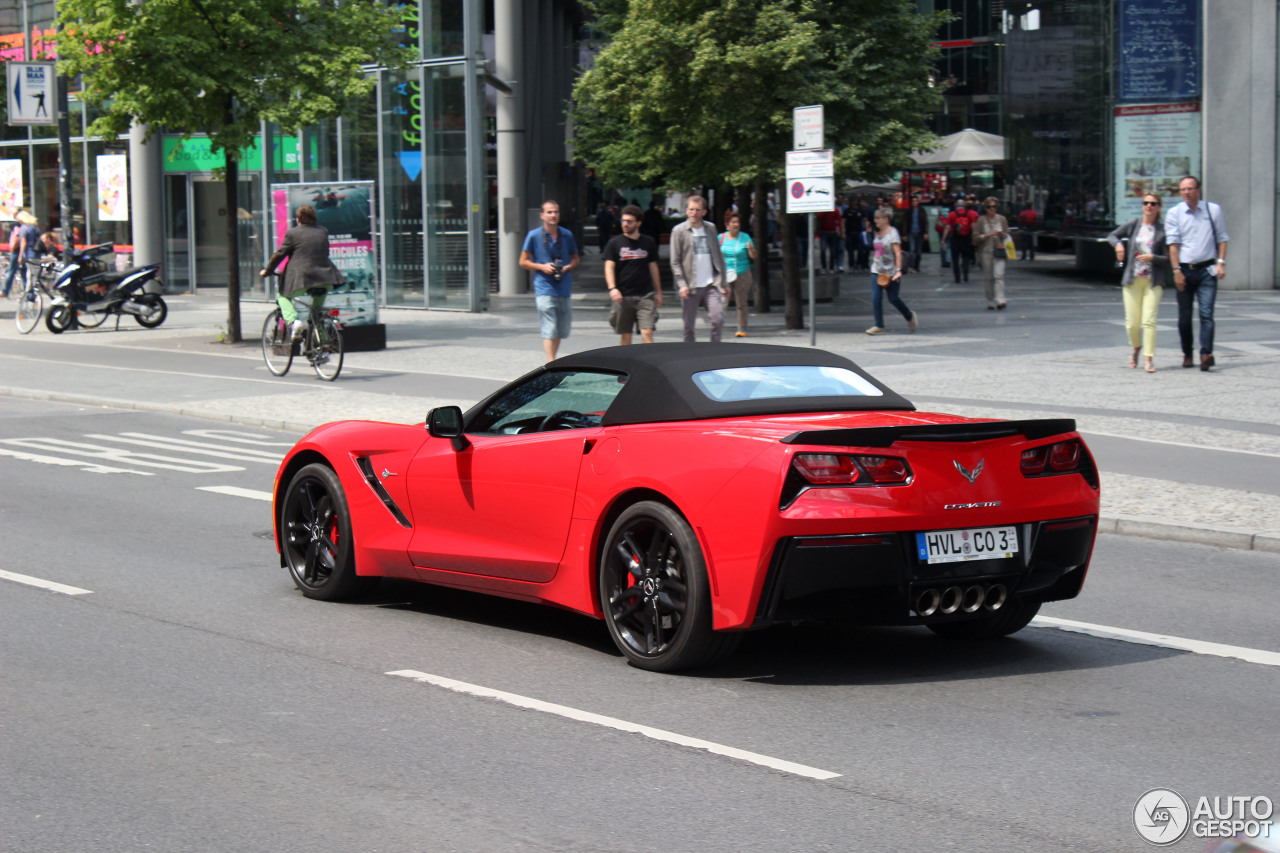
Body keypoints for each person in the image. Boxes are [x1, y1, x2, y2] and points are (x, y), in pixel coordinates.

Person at [1165, 176, 1228, 371]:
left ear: (1198, 190)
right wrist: (1176, 271)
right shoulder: (1174, 213)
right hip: (1184, 270)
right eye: (1183, 189)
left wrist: (1221, 263)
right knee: (1184, 317)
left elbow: (1222, 238)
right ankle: (1187, 353)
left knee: (1206, 313)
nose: (1187, 192)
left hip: (1207, 271)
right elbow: (1173, 245)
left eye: (1190, 189)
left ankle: (1206, 354)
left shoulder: (1212, 210)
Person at [260, 204, 345, 341]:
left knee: (282, 296)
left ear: (298, 219)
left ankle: (294, 322)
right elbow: (325, 252)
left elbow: (279, 254)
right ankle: (322, 344)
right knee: (316, 312)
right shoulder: (323, 231)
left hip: (303, 278)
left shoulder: (293, 233)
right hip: (325, 278)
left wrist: (267, 271)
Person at [1107, 193, 1169, 373]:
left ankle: (1149, 359)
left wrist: (1153, 258)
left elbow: (1167, 258)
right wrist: (1118, 245)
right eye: (1146, 203)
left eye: (1153, 204)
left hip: (1152, 281)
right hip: (1132, 280)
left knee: (1149, 321)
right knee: (1132, 324)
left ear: (1158, 207)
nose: (1149, 206)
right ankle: (1136, 348)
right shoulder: (1134, 225)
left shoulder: (1162, 230)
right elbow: (1112, 235)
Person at [521, 199, 580, 362]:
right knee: (549, 328)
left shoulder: (567, 235)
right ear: (542, 215)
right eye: (549, 212)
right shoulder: (533, 236)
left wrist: (568, 267)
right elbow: (523, 261)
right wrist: (542, 267)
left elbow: (576, 258)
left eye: (556, 212)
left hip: (563, 287)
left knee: (561, 330)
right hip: (544, 287)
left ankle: (552, 359)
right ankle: (550, 363)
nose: (553, 215)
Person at [670, 194, 727, 342]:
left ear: (704, 212)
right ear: (687, 211)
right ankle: (690, 354)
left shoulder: (710, 228)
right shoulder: (679, 230)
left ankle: (714, 350)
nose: (694, 213)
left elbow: (718, 256)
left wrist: (723, 282)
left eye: (697, 210)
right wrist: (681, 285)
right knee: (689, 325)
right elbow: (675, 260)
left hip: (711, 283)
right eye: (691, 209)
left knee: (717, 319)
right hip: (690, 285)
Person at [603, 205, 662, 345]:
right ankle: (624, 366)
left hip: (645, 295)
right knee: (626, 336)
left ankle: (647, 364)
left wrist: (658, 292)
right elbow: (609, 267)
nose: (625, 224)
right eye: (623, 221)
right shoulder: (614, 243)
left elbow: (653, 267)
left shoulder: (648, 242)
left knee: (647, 332)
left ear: (638, 223)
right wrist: (612, 288)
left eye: (629, 221)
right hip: (623, 295)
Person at [865, 207, 917, 335]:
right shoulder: (876, 232)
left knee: (893, 298)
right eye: (875, 218)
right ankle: (879, 325)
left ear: (886, 219)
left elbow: (898, 253)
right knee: (876, 298)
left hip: (891, 271)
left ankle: (910, 316)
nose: (875, 220)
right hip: (877, 270)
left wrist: (898, 270)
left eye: (878, 218)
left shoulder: (893, 233)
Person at [718, 210, 757, 338]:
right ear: (727, 224)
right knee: (722, 301)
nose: (736, 224)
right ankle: (718, 327)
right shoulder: (721, 238)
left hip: (742, 273)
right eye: (733, 222)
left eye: (738, 222)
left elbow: (754, 256)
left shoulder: (745, 237)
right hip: (725, 274)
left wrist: (750, 248)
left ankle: (741, 328)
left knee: (741, 302)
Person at [972, 197, 1010, 310]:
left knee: (999, 275)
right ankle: (990, 300)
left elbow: (1007, 233)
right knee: (989, 278)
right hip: (986, 252)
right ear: (985, 208)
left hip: (999, 250)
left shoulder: (1002, 219)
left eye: (994, 207)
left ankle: (1001, 300)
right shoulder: (981, 220)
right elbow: (975, 238)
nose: (992, 209)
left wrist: (1003, 234)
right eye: (989, 207)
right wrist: (988, 234)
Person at [942, 199, 978, 283]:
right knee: (966, 256)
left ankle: (957, 278)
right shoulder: (969, 213)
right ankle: (965, 270)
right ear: (964, 205)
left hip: (955, 239)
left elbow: (947, 227)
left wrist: (943, 239)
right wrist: (975, 238)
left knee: (955, 259)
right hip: (966, 238)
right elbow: (973, 226)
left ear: (956, 205)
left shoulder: (952, 214)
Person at [897, 197, 929, 273]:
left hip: (920, 232)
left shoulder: (921, 210)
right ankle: (911, 266)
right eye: (913, 201)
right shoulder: (908, 211)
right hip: (911, 232)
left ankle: (916, 266)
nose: (915, 202)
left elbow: (925, 222)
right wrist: (904, 234)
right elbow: (904, 223)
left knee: (918, 252)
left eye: (916, 201)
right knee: (912, 250)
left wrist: (925, 233)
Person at [817, 206, 843, 273]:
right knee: (823, 249)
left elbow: (839, 221)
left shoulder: (836, 210)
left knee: (833, 251)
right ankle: (824, 267)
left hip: (833, 232)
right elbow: (819, 218)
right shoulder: (822, 211)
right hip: (824, 232)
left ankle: (831, 267)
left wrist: (839, 230)